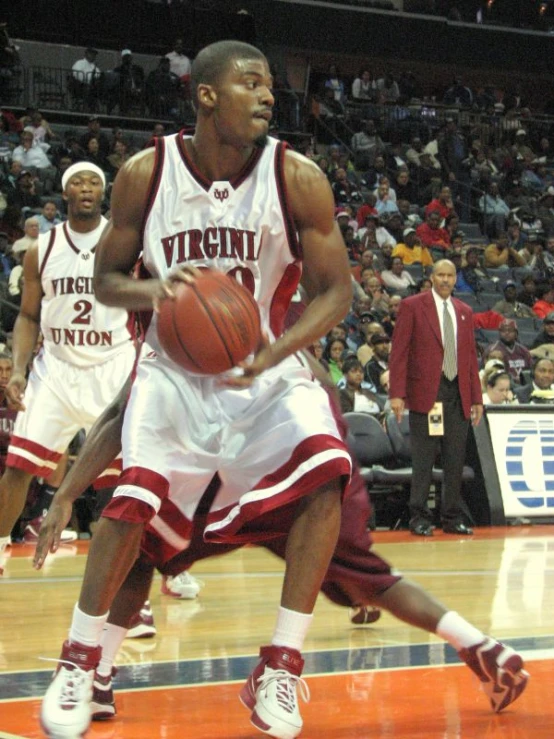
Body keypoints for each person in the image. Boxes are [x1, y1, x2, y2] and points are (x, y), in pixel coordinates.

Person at [40, 41, 355, 739]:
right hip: (171, 368)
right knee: (134, 498)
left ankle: (280, 661)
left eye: (270, 85)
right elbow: (107, 281)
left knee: (328, 473)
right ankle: (80, 659)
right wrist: (160, 291)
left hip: (265, 363)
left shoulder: (296, 176)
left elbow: (338, 290)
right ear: (206, 94)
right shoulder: (144, 174)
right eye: (250, 83)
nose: (268, 95)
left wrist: (279, 347)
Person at [34, 355, 528, 726]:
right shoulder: (278, 319)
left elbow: (122, 411)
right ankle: (482, 646)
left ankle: (98, 674)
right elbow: (325, 392)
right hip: (298, 465)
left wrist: (66, 494)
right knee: (370, 579)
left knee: (144, 548)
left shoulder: (204, 319)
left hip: (265, 466)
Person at [0, 162, 137, 577]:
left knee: (128, 476)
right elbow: (27, 317)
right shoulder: (43, 247)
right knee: (19, 467)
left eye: (94, 182)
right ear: (64, 193)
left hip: (113, 364)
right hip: (56, 367)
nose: (86, 188)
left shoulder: (124, 241)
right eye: (77, 182)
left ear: (104, 192)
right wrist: (20, 369)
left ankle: (145, 569)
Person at [389, 260, 483, 537]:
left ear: (456, 279)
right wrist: (397, 393)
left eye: (450, 276)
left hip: (458, 394)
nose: (445, 280)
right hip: (427, 394)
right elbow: (399, 352)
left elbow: (470, 360)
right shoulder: (413, 306)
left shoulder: (464, 311)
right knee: (424, 460)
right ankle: (419, 517)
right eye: (440, 275)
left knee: (455, 459)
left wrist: (476, 397)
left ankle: (452, 517)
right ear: (431, 278)